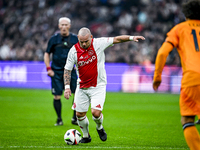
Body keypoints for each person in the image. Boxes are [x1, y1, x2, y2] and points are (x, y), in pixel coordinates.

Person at [63, 27, 145, 143]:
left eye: (86, 41)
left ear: (91, 37)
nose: (85, 44)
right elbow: (67, 70)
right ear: (78, 39)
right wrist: (67, 88)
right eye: (82, 42)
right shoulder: (73, 51)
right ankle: (86, 137)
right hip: (81, 87)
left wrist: (131, 38)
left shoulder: (98, 43)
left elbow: (117, 39)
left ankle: (99, 128)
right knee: (79, 114)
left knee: (95, 113)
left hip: (98, 85)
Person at [152, 0, 200, 149]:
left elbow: (162, 53)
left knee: (187, 119)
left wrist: (157, 76)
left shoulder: (179, 29)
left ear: (185, 14)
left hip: (193, 78)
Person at [44, 17, 78, 126]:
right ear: (59, 26)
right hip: (57, 72)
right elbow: (47, 53)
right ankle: (59, 119)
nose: (64, 27)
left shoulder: (75, 39)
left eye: (66, 25)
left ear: (69, 26)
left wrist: (78, 65)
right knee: (57, 96)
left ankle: (75, 118)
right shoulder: (53, 39)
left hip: (71, 71)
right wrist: (48, 68)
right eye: (62, 25)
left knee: (77, 94)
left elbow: (81, 53)